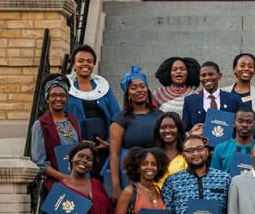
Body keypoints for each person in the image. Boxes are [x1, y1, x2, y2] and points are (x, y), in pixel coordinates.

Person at [31, 77, 83, 214]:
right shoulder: (40, 124)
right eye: (54, 95)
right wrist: (65, 179)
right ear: (47, 98)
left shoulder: (73, 120)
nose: (58, 98)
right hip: (56, 184)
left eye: (62, 95)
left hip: (76, 182)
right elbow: (39, 161)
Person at [108, 66, 162, 200]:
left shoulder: (159, 115)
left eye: (142, 86)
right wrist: (115, 186)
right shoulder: (120, 118)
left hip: (155, 169)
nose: (139, 90)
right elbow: (114, 154)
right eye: (134, 88)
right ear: (127, 93)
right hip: (128, 171)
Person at [64, 44, 120, 172]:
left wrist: (109, 142)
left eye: (89, 61)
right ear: (73, 65)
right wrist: (76, 140)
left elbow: (116, 116)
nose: (85, 64)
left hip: (102, 148)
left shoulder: (104, 89)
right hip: (76, 147)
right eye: (80, 61)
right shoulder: (65, 90)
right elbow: (62, 118)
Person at [182, 61, 243, 133]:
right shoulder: (190, 101)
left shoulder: (234, 99)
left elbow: (240, 126)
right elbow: (184, 130)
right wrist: (190, 133)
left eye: (211, 74)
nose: (207, 78)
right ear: (199, 78)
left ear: (219, 76)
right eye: (203, 75)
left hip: (227, 143)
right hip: (199, 144)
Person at [222, 53, 255, 120]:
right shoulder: (224, 91)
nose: (246, 69)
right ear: (234, 69)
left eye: (250, 66)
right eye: (242, 66)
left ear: (254, 71)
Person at [153, 111, 188, 187]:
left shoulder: (187, 154)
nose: (167, 131)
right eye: (163, 127)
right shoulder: (152, 155)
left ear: (179, 129)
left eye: (172, 127)